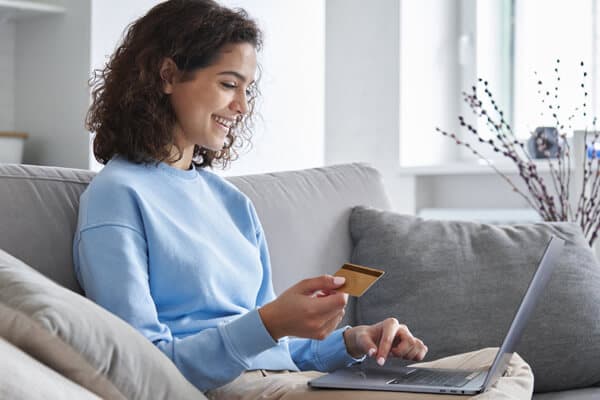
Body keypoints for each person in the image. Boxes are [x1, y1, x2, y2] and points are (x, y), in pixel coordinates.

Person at [74, 1, 534, 399]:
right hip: (222, 388)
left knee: (503, 365)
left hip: (285, 380)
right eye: (229, 84)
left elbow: (279, 350)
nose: (242, 107)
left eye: (247, 89)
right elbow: (141, 367)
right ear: (168, 75)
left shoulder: (231, 202)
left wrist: (354, 341)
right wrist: (270, 322)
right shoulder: (117, 196)